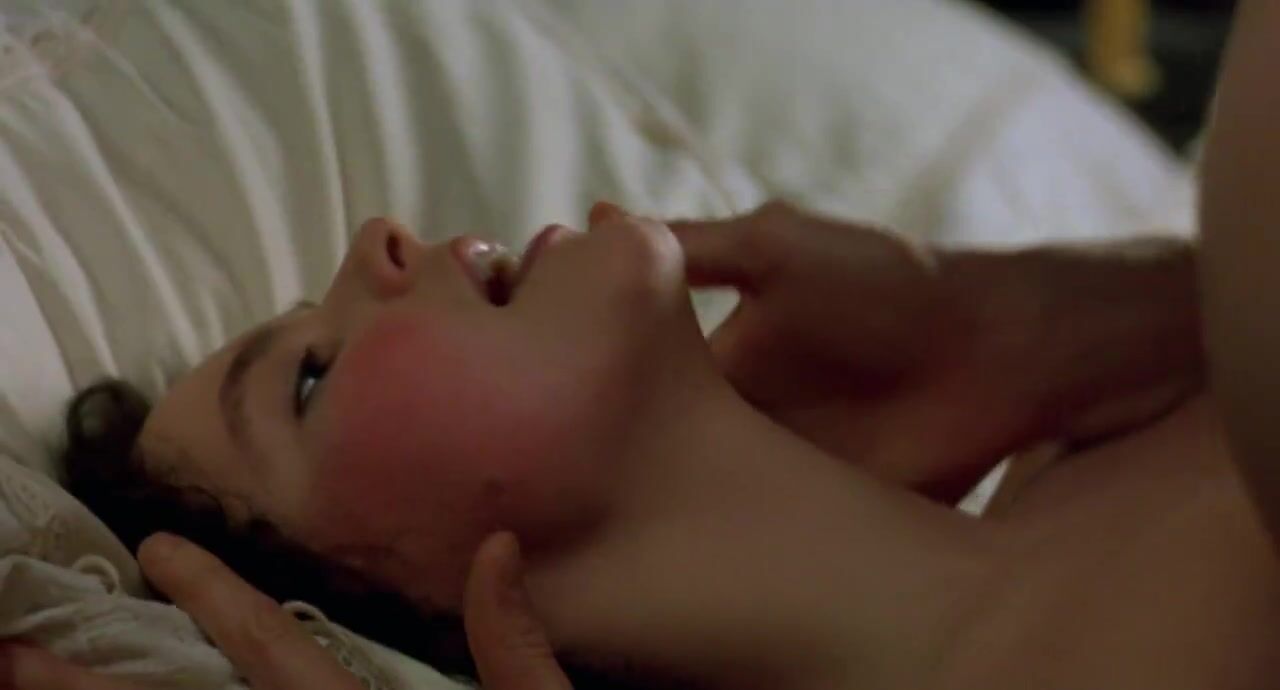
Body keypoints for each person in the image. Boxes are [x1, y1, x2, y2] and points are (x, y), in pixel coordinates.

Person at [8, 2, 1280, 687]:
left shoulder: (1118, 400)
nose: (375, 242)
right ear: (400, 622)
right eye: (309, 378)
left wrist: (1088, 307)